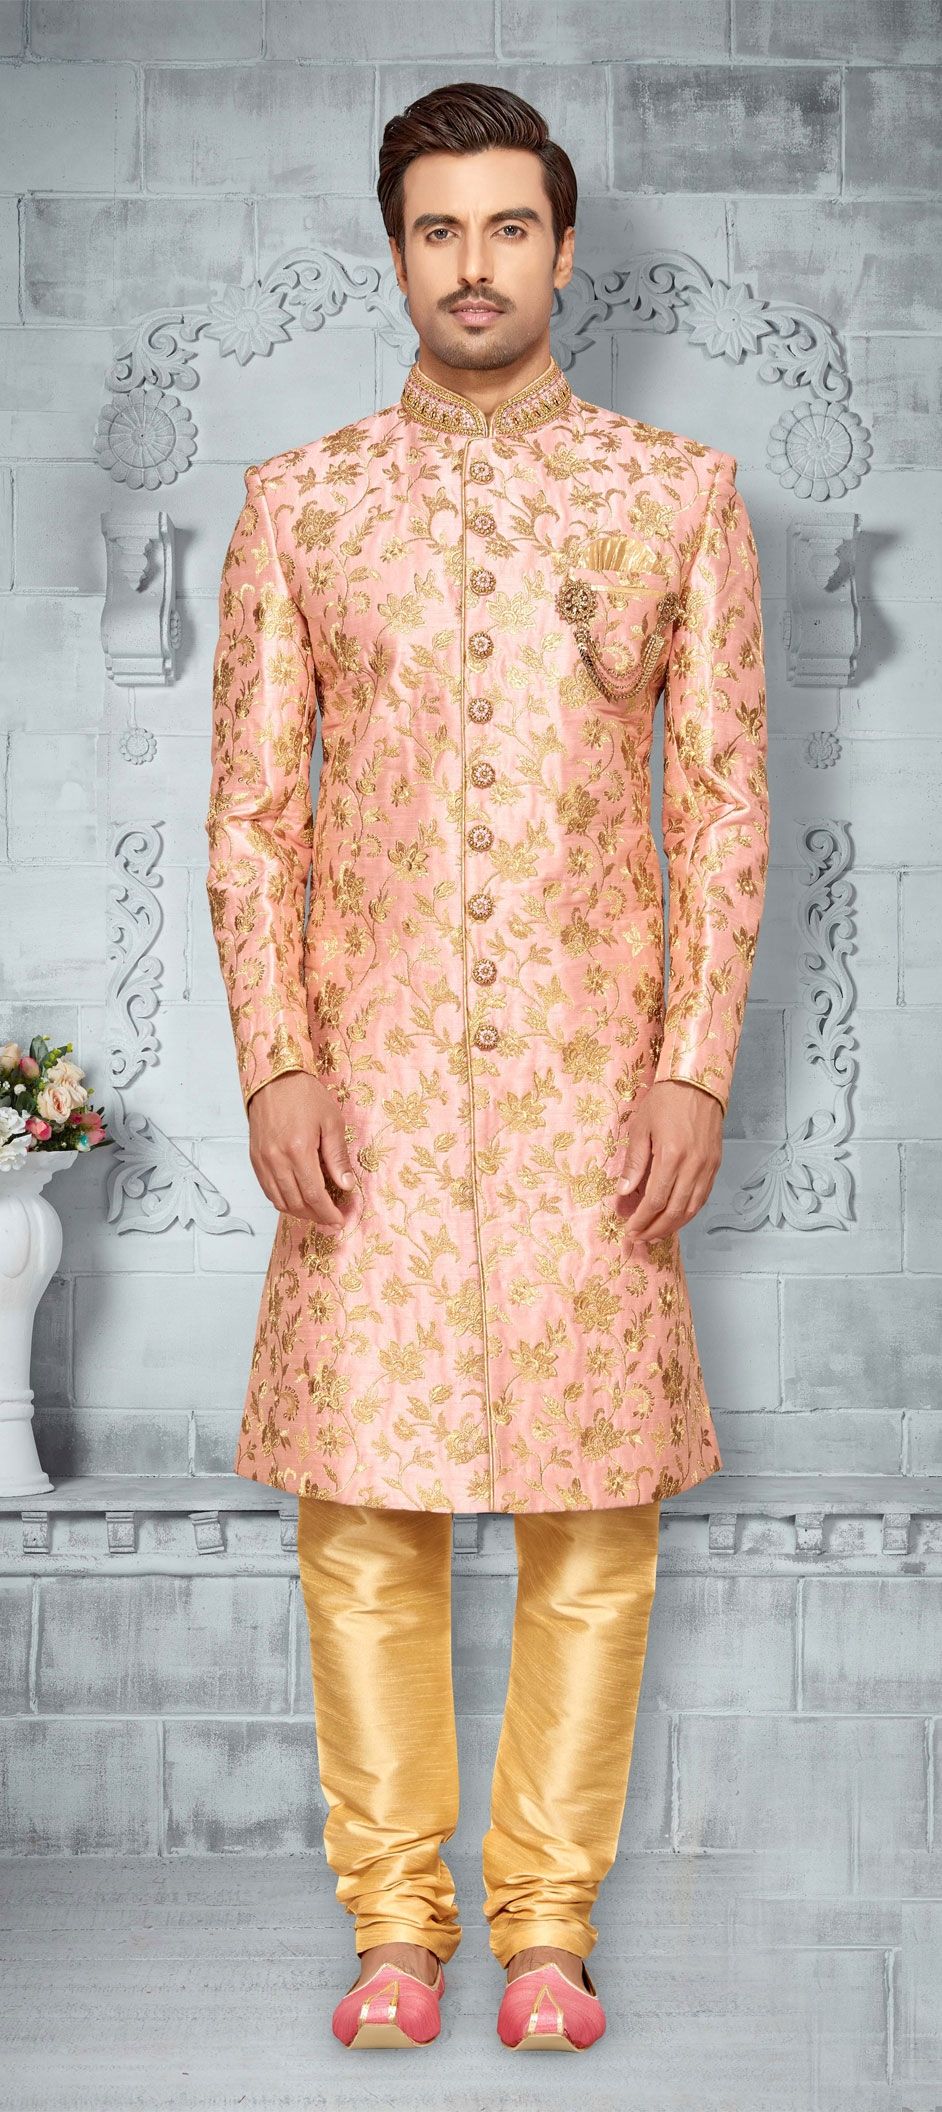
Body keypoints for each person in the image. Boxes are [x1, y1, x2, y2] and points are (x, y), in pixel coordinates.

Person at [205, 80, 769, 2053]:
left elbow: (722, 810)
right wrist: (276, 1062)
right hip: (360, 1097)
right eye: (437, 230)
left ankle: (547, 1929)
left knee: (590, 1522)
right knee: (363, 1521)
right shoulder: (302, 504)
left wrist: (693, 1069)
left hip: (590, 1094)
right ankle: (393, 1927)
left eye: (507, 227)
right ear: (395, 254)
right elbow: (252, 819)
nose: (474, 265)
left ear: (563, 247)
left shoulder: (674, 496)